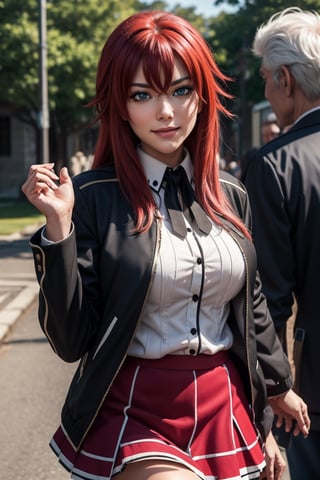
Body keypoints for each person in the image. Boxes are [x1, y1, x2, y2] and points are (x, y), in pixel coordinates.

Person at [21, 11, 309, 480]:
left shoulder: (229, 194)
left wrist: (277, 390)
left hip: (225, 399)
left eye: (180, 90)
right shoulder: (93, 198)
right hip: (135, 404)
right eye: (143, 95)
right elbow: (71, 339)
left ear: (201, 95)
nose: (166, 112)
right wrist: (58, 230)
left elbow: (250, 305)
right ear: (120, 103)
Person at [244, 7, 320, 479]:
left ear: (286, 80)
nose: (268, 92)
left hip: (315, 389)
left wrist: (266, 408)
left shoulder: (274, 166)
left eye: (268, 80)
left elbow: (266, 299)